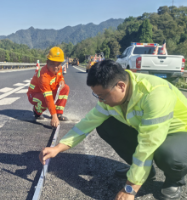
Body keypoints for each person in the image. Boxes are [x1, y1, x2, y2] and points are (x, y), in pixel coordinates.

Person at [39, 60, 187, 200]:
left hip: (178, 131)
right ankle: (144, 173)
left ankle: (175, 180)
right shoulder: (110, 99)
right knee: (105, 125)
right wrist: (58, 148)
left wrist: (130, 188)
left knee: (170, 155)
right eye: (97, 96)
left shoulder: (155, 95)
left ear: (121, 86)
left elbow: (148, 145)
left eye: (102, 96)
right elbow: (86, 124)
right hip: (146, 129)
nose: (100, 100)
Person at [27, 47, 69, 127]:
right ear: (47, 62)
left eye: (58, 64)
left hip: (47, 91)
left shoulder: (58, 68)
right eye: (52, 64)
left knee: (65, 88)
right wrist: (53, 117)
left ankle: (59, 114)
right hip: (34, 94)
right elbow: (48, 98)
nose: (55, 67)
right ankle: (37, 111)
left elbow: (60, 76)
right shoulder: (44, 76)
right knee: (46, 100)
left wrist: (62, 81)